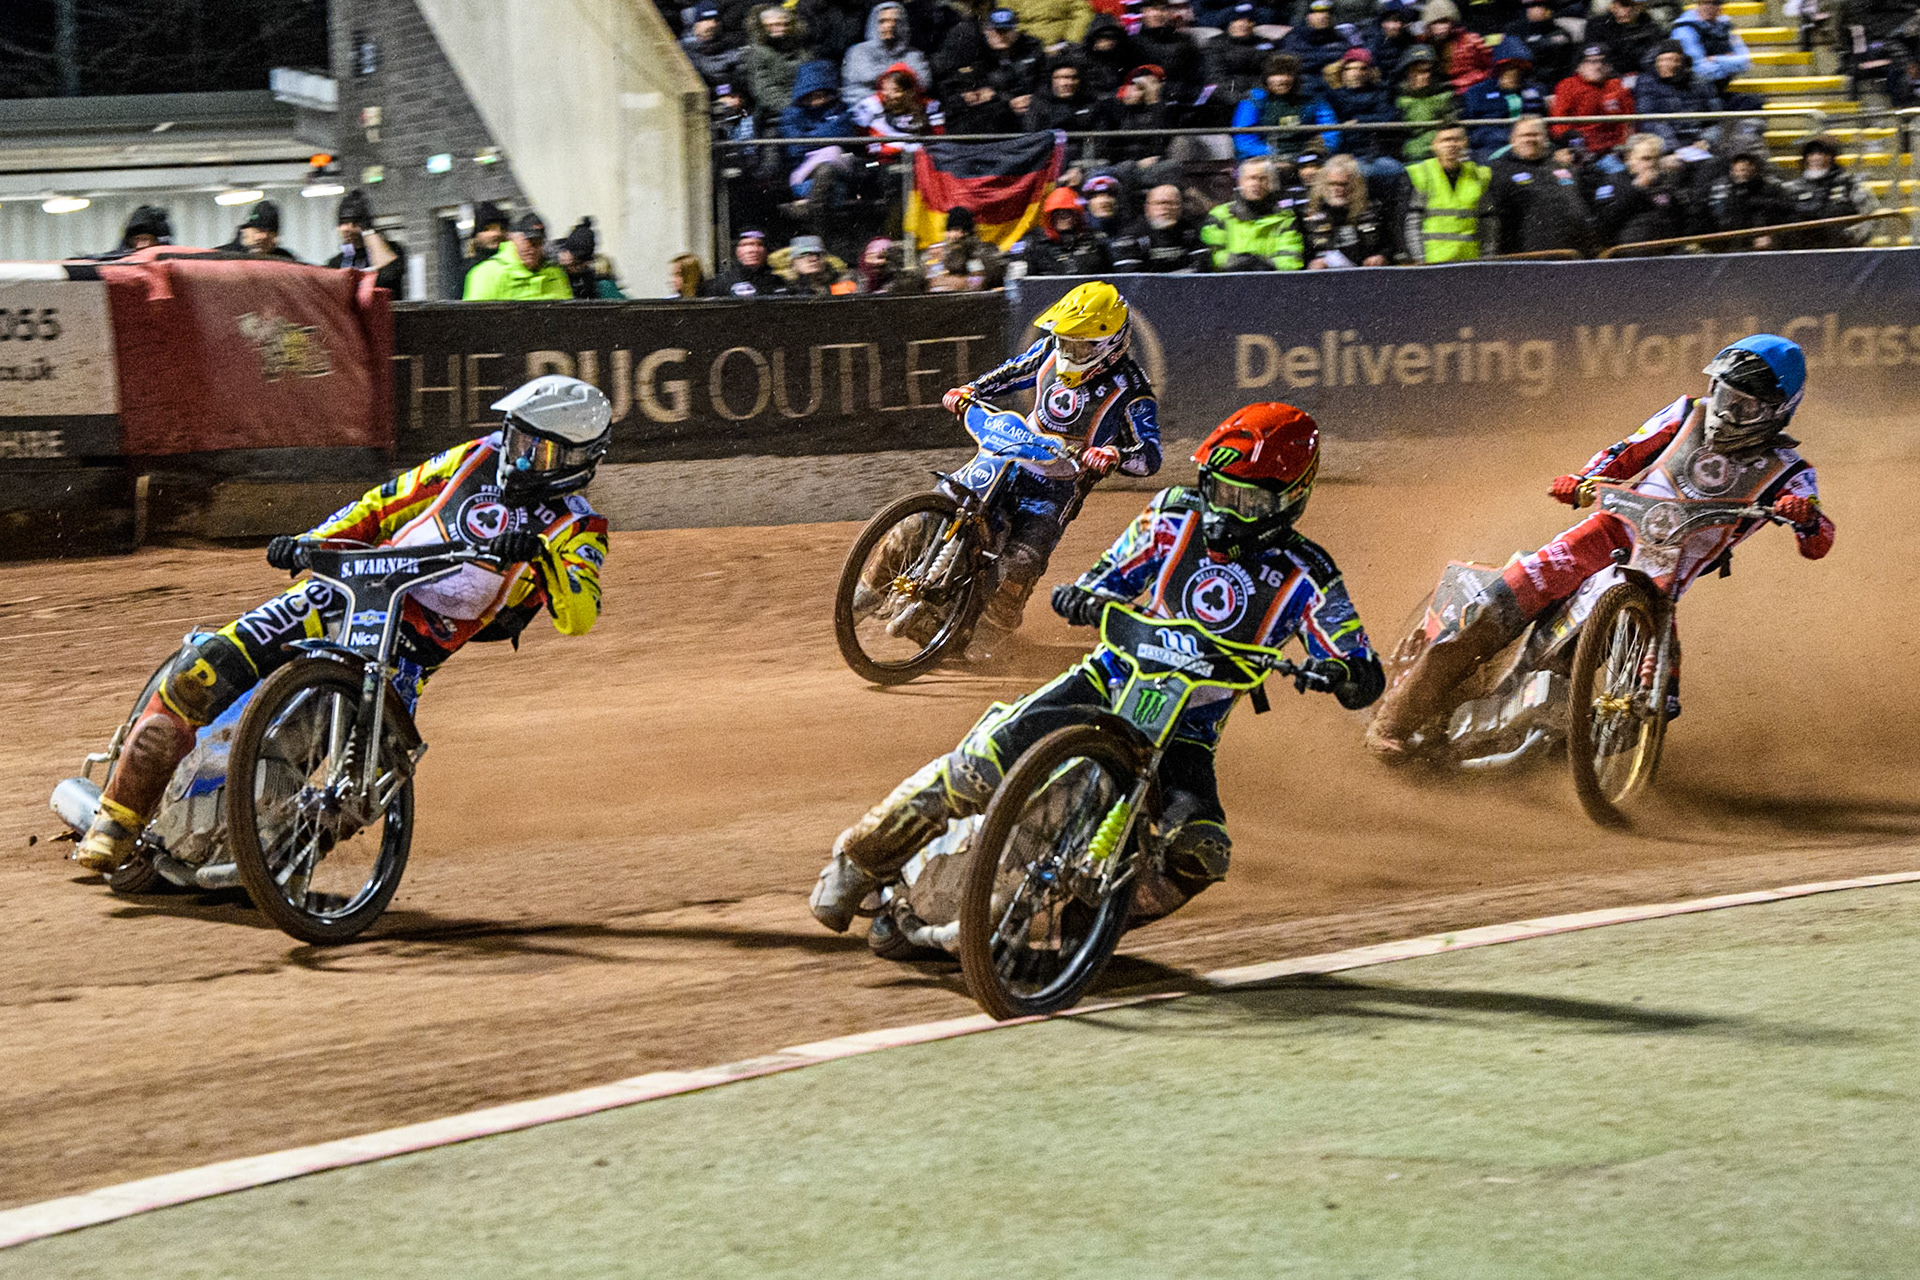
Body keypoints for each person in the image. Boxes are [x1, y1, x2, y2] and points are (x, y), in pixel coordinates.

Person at [810, 403, 1382, 939]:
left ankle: (1088, 927)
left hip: (1187, 733)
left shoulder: (1309, 574)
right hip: (1108, 677)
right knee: (978, 766)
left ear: (1290, 501)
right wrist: (1084, 595)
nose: (1228, 511)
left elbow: (1355, 656)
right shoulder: (1173, 514)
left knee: (1200, 850)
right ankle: (859, 861)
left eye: (1249, 501)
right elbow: (1110, 573)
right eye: (1221, 491)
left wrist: (1347, 674)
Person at [74, 376, 615, 873]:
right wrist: (312, 541)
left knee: (372, 781)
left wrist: (543, 559)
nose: (518, 458)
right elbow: (383, 505)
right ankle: (117, 819)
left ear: (576, 458)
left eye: (537, 450)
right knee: (204, 671)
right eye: (516, 438)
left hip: (408, 648)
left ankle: (272, 864)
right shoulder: (472, 459)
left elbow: (579, 617)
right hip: (345, 591)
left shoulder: (580, 526)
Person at [1365, 336, 1835, 759]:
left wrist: (1805, 516)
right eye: (1725, 397)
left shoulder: (1790, 472)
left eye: (1745, 408)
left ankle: (1558, 749)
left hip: (1663, 579)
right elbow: (1626, 450)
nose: (1727, 414)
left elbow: (1819, 540)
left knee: (1658, 697)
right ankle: (1395, 720)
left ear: (1778, 411)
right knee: (1497, 604)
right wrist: (1587, 480)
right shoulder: (1687, 413)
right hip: (1608, 532)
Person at [935, 281, 1162, 642]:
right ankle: (873, 581)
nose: (1068, 349)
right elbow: (1011, 373)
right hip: (1009, 457)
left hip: (1057, 487)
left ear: (1109, 344)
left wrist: (1113, 454)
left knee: (1023, 559)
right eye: (1065, 339)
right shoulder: (1049, 353)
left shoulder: (1133, 389)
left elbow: (1150, 456)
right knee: (944, 502)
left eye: (1079, 343)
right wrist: (972, 390)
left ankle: (995, 631)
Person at [1484, 115, 1598, 256]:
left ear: (1545, 138)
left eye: (1536, 135)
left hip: (1574, 253)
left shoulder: (1563, 167)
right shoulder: (1500, 170)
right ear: (1513, 139)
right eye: (1524, 135)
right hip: (1530, 256)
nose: (1530, 139)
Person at [1398, 123, 1490, 262]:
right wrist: (1420, 260)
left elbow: (1488, 223)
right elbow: (1412, 224)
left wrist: (1487, 258)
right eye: (1445, 140)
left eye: (1456, 139)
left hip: (1471, 262)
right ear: (1434, 145)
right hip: (1433, 263)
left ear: (1465, 143)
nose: (1451, 145)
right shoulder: (1421, 174)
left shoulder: (1479, 175)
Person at [1589, 132, 1691, 249]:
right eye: (1645, 159)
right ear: (1629, 157)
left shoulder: (1665, 183)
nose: (1651, 164)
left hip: (1667, 250)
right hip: (1627, 253)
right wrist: (1636, 189)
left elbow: (1681, 219)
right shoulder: (1612, 182)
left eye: (1656, 158)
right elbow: (1605, 223)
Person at [1203, 156, 1307, 270]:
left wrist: (1260, 265)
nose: (1256, 183)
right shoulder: (1220, 215)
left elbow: (1291, 260)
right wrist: (1247, 263)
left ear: (1271, 182)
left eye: (1262, 178)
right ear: (1240, 181)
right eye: (1251, 178)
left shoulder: (1286, 218)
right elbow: (1215, 257)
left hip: (1271, 283)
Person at [1783, 134, 1881, 248]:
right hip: (1802, 254)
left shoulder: (1849, 184)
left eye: (1821, 153)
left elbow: (1872, 215)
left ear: (1831, 157)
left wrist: (1852, 235)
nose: (1816, 158)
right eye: (1811, 154)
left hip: (1842, 253)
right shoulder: (1792, 189)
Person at [1230, 54, 1334, 160]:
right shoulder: (1253, 100)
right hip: (1264, 159)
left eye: (1285, 74)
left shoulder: (1311, 99)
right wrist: (1273, 153)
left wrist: (1318, 149)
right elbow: (1243, 138)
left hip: (1304, 157)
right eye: (1274, 74)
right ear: (1266, 78)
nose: (1280, 80)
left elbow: (1330, 129)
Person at [1461, 39, 1547, 159]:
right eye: (1508, 67)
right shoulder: (1477, 93)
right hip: (1489, 148)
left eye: (1518, 67)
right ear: (1498, 68)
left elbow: (1542, 123)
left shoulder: (1534, 92)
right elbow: (1467, 128)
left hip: (1529, 145)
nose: (1513, 72)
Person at [1633, 39, 1723, 150]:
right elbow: (1647, 120)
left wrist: (1706, 140)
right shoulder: (1646, 83)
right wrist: (1674, 147)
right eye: (1661, 60)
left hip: (1698, 142)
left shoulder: (1701, 82)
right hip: (1665, 145)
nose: (1664, 64)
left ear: (1681, 61)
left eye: (1670, 60)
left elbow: (1716, 118)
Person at [1303, 153, 1391, 265]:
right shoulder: (1313, 211)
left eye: (1343, 184)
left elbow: (1387, 245)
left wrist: (1381, 256)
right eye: (1332, 184)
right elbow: (1307, 252)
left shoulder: (1372, 209)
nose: (1337, 189)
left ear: (1355, 185)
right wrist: (1313, 263)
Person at [1671, 0, 1759, 109]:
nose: (1710, 7)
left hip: (1718, 90)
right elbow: (1699, 70)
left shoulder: (1725, 26)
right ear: (1698, 4)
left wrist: (1715, 59)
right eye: (1706, 3)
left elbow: (1745, 62)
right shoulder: (1684, 29)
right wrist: (1729, 61)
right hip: (1691, 94)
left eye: (1715, 3)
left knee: (1753, 103)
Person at [1549, 45, 1634, 157]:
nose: (1598, 66)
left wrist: (1626, 147)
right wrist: (1572, 141)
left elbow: (1629, 122)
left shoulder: (1617, 86)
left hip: (1615, 149)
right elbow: (1559, 123)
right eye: (1591, 62)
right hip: (1582, 148)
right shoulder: (1568, 86)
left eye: (1602, 61)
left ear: (1610, 66)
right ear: (1579, 66)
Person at [463, 212, 571, 299]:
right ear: (513, 239)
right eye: (527, 241)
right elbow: (474, 321)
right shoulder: (487, 274)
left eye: (538, 242)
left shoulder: (555, 274)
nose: (532, 248)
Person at [1705, 146, 1795, 250]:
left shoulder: (1772, 190)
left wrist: (1773, 238)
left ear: (1753, 168)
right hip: (1737, 249)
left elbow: (1788, 216)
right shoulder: (1729, 194)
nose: (1741, 173)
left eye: (1744, 168)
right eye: (1737, 169)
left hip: (1769, 248)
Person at [842, 2, 930, 106]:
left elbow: (923, 82)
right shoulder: (858, 52)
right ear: (874, 24)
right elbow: (854, 91)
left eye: (896, 21)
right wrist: (902, 78)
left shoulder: (914, 55)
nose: (890, 25)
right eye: (883, 21)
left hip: (906, 111)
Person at [1112, 183, 1213, 271]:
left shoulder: (1190, 232)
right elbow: (1130, 280)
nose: (1166, 208)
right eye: (1160, 203)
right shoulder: (1130, 237)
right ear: (1147, 207)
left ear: (1181, 207)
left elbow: (1202, 270)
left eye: (1172, 203)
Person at [1017, 186, 1117, 275]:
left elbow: (1111, 276)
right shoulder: (1035, 244)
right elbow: (1025, 284)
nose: (1063, 218)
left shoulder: (1096, 241)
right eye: (1057, 213)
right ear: (1050, 217)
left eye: (1067, 213)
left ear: (1077, 216)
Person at [326, 189, 408, 293]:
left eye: (354, 223)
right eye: (343, 223)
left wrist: (368, 230)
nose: (347, 229)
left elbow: (388, 276)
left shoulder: (394, 250)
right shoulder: (337, 263)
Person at [743, 4, 808, 127]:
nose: (778, 28)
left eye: (781, 24)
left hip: (807, 105)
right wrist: (790, 107)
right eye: (771, 25)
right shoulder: (758, 52)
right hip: (774, 114)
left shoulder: (801, 48)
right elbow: (764, 88)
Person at [1204, 5, 1279, 107]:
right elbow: (1214, 78)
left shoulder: (1265, 44)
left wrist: (1256, 94)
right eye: (1239, 20)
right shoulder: (1215, 44)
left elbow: (1268, 73)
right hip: (1227, 99)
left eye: (1249, 20)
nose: (1244, 24)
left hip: (1258, 96)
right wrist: (1239, 98)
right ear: (1230, 23)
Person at [1393, 45, 1458, 162]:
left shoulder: (1445, 96)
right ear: (1407, 73)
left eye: (1426, 71)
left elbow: (1452, 126)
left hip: (1439, 156)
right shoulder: (1399, 100)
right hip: (1409, 156)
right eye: (1416, 71)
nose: (1423, 76)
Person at [921, 206, 1008, 291]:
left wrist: (961, 282)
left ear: (969, 233)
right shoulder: (939, 253)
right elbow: (931, 282)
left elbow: (987, 280)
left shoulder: (984, 252)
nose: (954, 235)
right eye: (950, 230)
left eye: (960, 230)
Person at [1586, 0, 1661, 91]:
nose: (1628, 10)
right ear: (1613, 6)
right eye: (1624, 5)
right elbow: (1596, 56)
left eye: (1634, 6)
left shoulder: (1651, 29)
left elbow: (1649, 61)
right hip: (1605, 78)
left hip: (1639, 80)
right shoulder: (1597, 25)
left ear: (1641, 8)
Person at [1419, 0, 1491, 93]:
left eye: (1444, 22)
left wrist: (1454, 83)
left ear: (1452, 23)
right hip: (1441, 96)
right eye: (1435, 23)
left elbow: (1489, 69)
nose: (1440, 27)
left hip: (1473, 92)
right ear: (1428, 26)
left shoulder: (1471, 41)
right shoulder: (1424, 45)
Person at [1502, 0, 1578, 86]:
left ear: (1547, 10)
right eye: (1528, 7)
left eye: (1535, 6)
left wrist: (1534, 46)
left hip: (1553, 82)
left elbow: (1564, 64)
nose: (1530, 10)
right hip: (1524, 82)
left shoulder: (1560, 33)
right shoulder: (1517, 31)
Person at [1281, 0, 1357, 87]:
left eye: (1328, 12)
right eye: (1317, 12)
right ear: (1308, 16)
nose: (1324, 16)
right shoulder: (1293, 38)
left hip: (1334, 90)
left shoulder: (1342, 39)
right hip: (1302, 88)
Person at [555, 218, 624, 298]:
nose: (570, 268)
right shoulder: (551, 259)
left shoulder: (597, 279)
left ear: (586, 263)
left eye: (576, 264)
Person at [681, 4, 744, 88]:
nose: (712, 24)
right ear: (696, 24)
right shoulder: (684, 50)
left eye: (715, 20)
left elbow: (739, 82)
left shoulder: (729, 46)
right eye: (706, 20)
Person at [709, 228, 784, 297]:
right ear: (737, 251)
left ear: (766, 251)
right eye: (746, 245)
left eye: (759, 244)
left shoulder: (777, 283)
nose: (753, 250)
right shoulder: (721, 283)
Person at [219, 200, 299, 261]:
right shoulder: (221, 257)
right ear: (244, 230)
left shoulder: (285, 260)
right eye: (258, 230)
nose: (262, 237)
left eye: (270, 232)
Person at [463, 202, 509, 287]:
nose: (496, 234)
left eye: (501, 229)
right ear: (477, 236)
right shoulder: (469, 270)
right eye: (488, 229)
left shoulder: (514, 263)